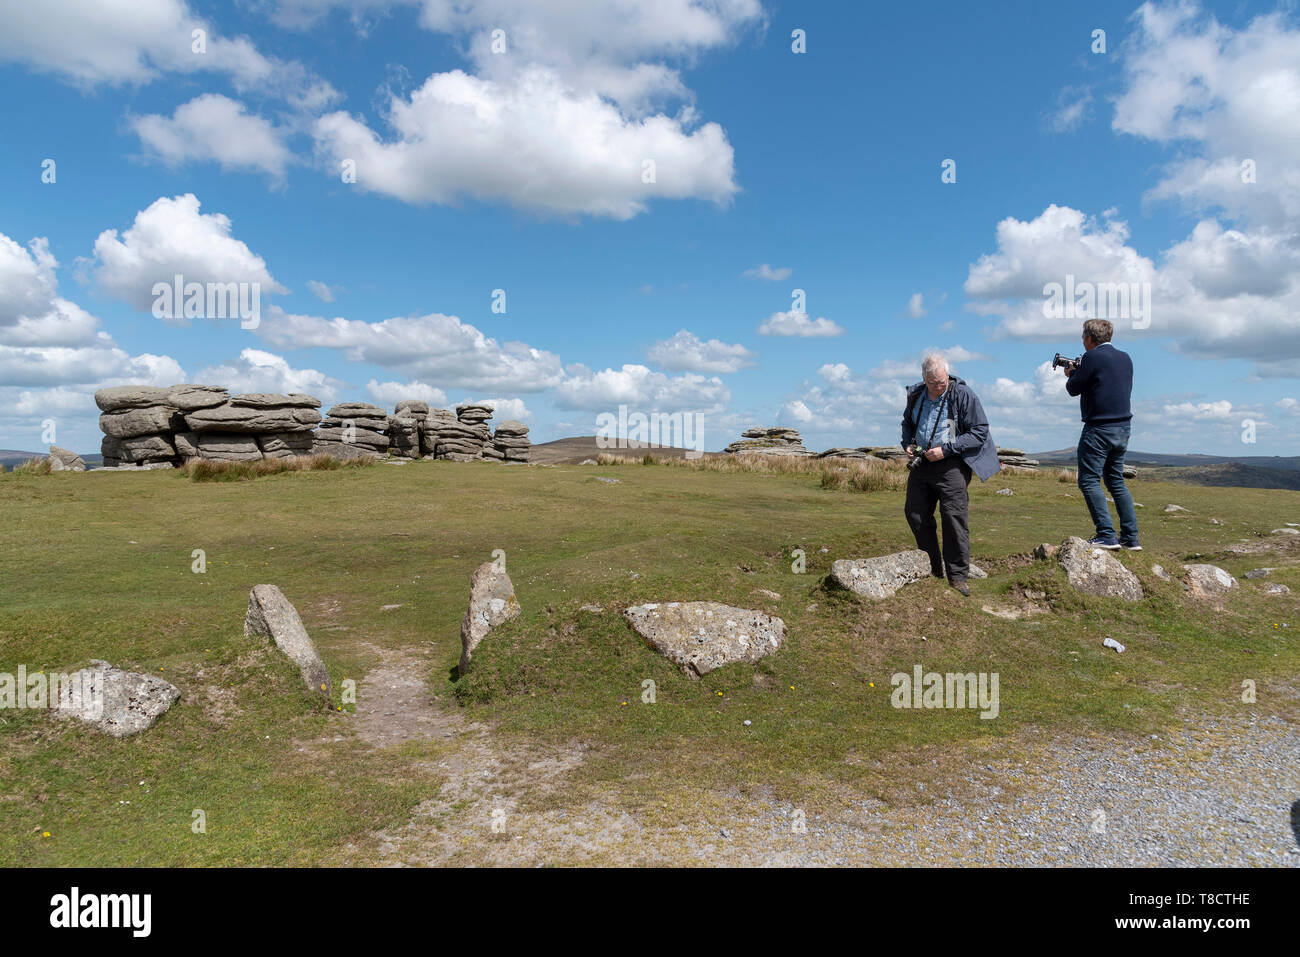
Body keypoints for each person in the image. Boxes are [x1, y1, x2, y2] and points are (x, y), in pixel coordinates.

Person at [901, 354, 1001, 596]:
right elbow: (907, 423)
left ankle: (957, 577)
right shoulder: (916, 395)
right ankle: (933, 569)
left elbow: (980, 431)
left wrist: (946, 450)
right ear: (924, 379)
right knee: (915, 514)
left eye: (943, 380)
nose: (940, 386)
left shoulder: (963, 395)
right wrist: (907, 443)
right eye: (934, 383)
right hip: (922, 464)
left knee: (953, 518)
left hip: (952, 465)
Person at [1062, 319, 1140, 550]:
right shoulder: (1125, 358)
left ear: (1088, 337)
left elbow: (1073, 389)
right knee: (1115, 481)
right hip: (1123, 427)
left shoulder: (1092, 357)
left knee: (1088, 480)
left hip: (1099, 428)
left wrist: (1071, 373)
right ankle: (1130, 537)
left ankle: (1106, 534)